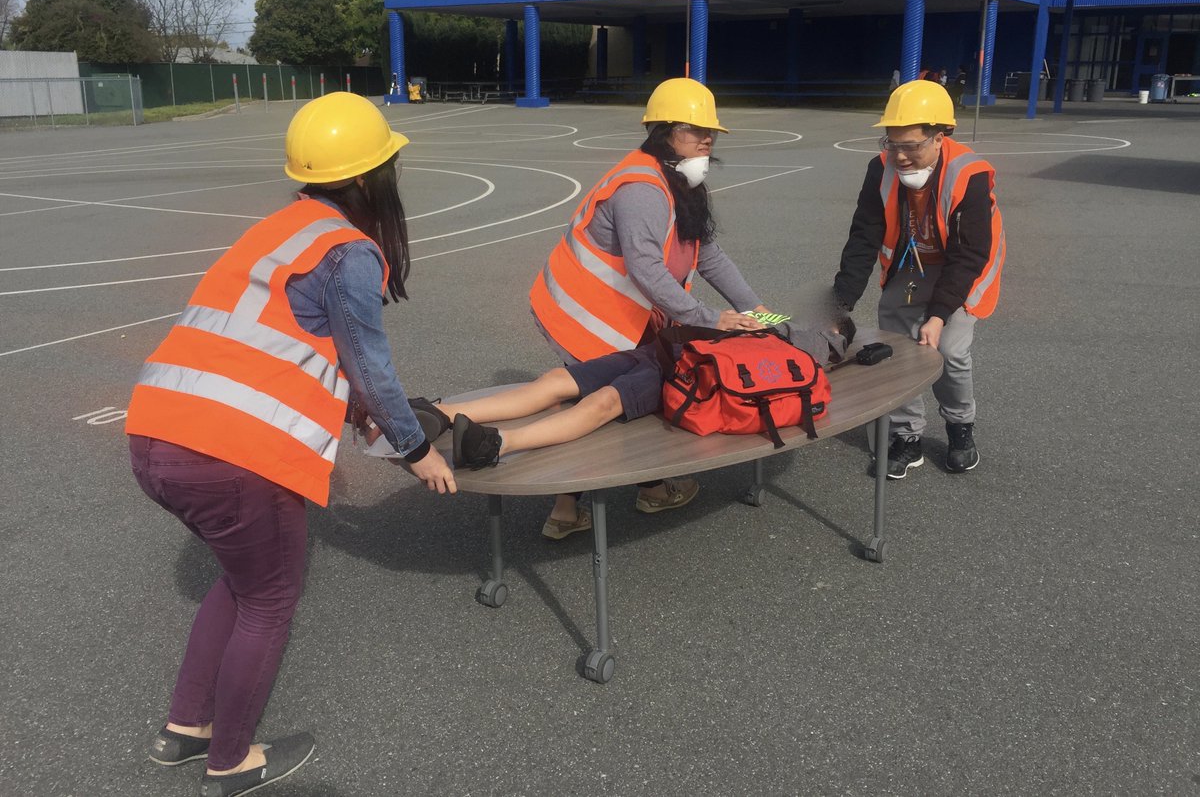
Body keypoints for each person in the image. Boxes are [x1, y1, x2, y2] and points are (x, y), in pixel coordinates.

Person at [126, 92, 456, 796]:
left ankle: (187, 726)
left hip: (156, 432)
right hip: (231, 456)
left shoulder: (280, 229)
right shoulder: (348, 252)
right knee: (270, 599)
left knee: (241, 582)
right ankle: (232, 762)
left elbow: (271, 348)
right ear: (370, 178)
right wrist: (415, 449)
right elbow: (368, 363)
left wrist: (353, 417)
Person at [528, 77, 777, 539]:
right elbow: (647, 269)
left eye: (711, 131)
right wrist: (708, 318)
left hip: (614, 312)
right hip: (584, 310)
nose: (706, 138)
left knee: (609, 396)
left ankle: (603, 498)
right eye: (692, 128)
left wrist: (758, 311)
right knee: (612, 398)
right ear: (663, 131)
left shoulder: (682, 180)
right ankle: (620, 493)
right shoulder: (642, 187)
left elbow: (707, 255)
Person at [832, 79, 1005, 479]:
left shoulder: (970, 174)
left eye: (912, 146)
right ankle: (907, 437)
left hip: (963, 266)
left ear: (941, 137)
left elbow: (970, 254)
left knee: (948, 349)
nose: (901, 156)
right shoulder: (880, 169)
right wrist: (838, 306)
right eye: (893, 144)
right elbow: (864, 236)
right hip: (912, 265)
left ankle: (960, 427)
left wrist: (939, 314)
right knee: (896, 348)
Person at [435, 318, 854, 471]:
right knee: (557, 381)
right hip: (664, 349)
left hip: (685, 371)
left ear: (837, 336)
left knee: (600, 403)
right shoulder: (781, 324)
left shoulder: (815, 345)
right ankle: (443, 413)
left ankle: (496, 444)